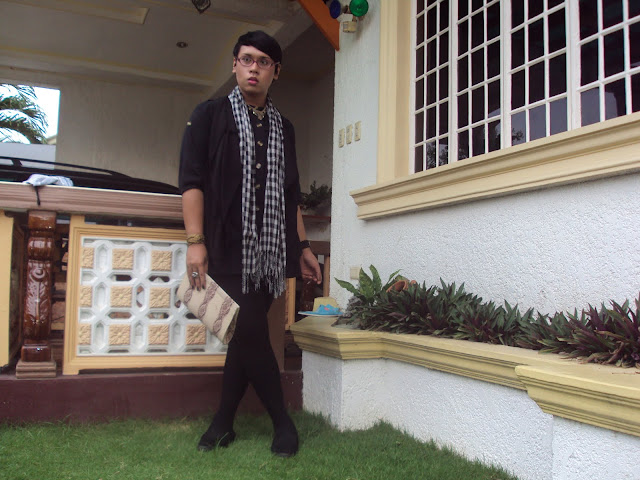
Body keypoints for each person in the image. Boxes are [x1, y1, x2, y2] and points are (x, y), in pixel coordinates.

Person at [178, 30, 322, 457]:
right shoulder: (209, 115)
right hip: (224, 246)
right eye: (246, 59)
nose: (253, 68)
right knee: (251, 331)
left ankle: (222, 424)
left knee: (245, 338)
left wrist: (303, 248)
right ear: (234, 65)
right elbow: (191, 181)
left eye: (262, 61)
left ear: (276, 71)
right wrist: (195, 241)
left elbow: (290, 194)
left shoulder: (284, 128)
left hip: (270, 253)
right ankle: (282, 422)